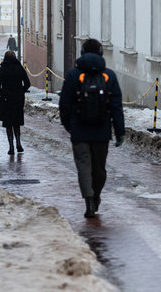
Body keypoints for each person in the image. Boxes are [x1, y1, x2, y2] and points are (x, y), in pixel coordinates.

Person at [58, 38, 124, 218]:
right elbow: (116, 106)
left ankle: (88, 199)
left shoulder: (73, 74)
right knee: (99, 168)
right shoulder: (109, 75)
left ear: (82, 53)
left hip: (79, 130)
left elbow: (64, 103)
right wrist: (119, 132)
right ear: (101, 53)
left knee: (83, 167)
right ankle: (96, 195)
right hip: (102, 132)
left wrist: (68, 125)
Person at [0, 50, 31, 155]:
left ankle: (11, 147)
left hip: (6, 100)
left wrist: (3, 93)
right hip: (18, 99)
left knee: (8, 123)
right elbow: (27, 83)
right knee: (16, 122)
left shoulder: (1, 70)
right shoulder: (19, 68)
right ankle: (19, 143)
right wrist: (21, 91)